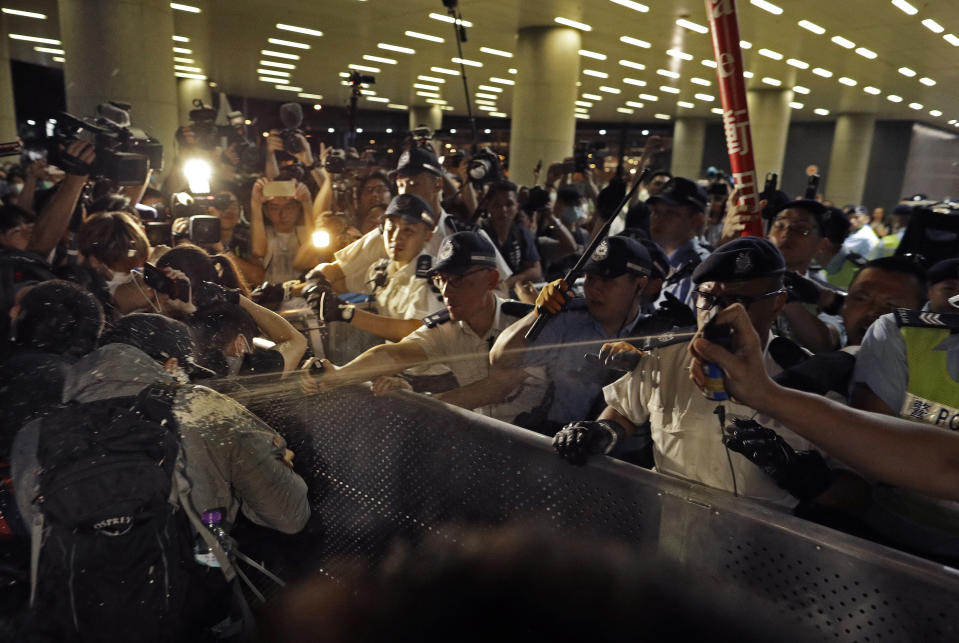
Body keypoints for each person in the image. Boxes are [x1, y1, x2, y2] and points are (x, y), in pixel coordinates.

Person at [11, 312, 310, 640]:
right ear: (170, 365)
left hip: (80, 624)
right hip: (198, 620)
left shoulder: (34, 436)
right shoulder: (200, 407)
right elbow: (290, 514)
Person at [553, 238, 836, 508]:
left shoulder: (808, 376)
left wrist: (798, 473)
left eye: (738, 301)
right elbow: (623, 412)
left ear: (776, 302)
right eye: (708, 298)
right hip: (668, 529)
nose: (716, 314)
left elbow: (854, 491)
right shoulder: (666, 358)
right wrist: (600, 434)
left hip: (760, 545)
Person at [689, 303, 959, 504]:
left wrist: (769, 396)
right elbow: (940, 461)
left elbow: (946, 463)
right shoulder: (906, 335)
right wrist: (766, 394)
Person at [305, 232, 545, 424]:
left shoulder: (523, 324)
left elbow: (495, 389)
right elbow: (394, 353)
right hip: (490, 438)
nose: (446, 291)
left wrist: (418, 402)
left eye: (459, 280)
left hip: (543, 440)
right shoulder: (447, 327)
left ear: (492, 280)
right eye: (441, 280)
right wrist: (337, 376)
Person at [491, 235, 653, 433]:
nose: (594, 288)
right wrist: (538, 314)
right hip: (555, 441)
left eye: (607, 280)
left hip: (616, 456)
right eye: (590, 278)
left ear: (640, 284)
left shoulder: (656, 336)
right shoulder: (569, 320)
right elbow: (501, 358)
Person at [309, 147, 512, 296]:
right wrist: (308, 284)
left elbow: (501, 286)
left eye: (414, 183)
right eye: (401, 183)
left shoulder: (467, 235)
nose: (406, 191)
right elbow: (338, 270)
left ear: (438, 183)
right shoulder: (386, 234)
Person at [306, 194, 444, 343]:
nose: (396, 237)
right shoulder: (381, 269)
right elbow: (338, 282)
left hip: (429, 365)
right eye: (390, 228)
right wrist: (308, 284)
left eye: (408, 230)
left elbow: (416, 330)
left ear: (427, 236)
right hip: (395, 362)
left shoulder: (433, 276)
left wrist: (346, 313)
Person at [851, 257, 957, 421]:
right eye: (950, 288)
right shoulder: (897, 330)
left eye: (891, 304)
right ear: (930, 292)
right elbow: (874, 426)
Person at [647, 177, 711, 308]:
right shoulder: (649, 259)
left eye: (670, 213)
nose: (658, 219)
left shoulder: (702, 271)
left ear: (696, 220)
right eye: (655, 211)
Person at [249, 177, 316, 284]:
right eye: (275, 208)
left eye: (289, 207)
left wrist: (307, 202)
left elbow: (313, 252)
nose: (283, 214)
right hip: (271, 296)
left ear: (297, 208)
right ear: (266, 211)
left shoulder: (304, 232)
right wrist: (256, 203)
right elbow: (258, 251)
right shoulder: (263, 234)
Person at [480, 180, 542, 293]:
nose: (503, 210)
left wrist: (509, 283)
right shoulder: (480, 233)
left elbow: (536, 270)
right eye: (497, 205)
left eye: (509, 204)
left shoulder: (521, 232)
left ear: (517, 207)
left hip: (513, 291)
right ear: (488, 206)